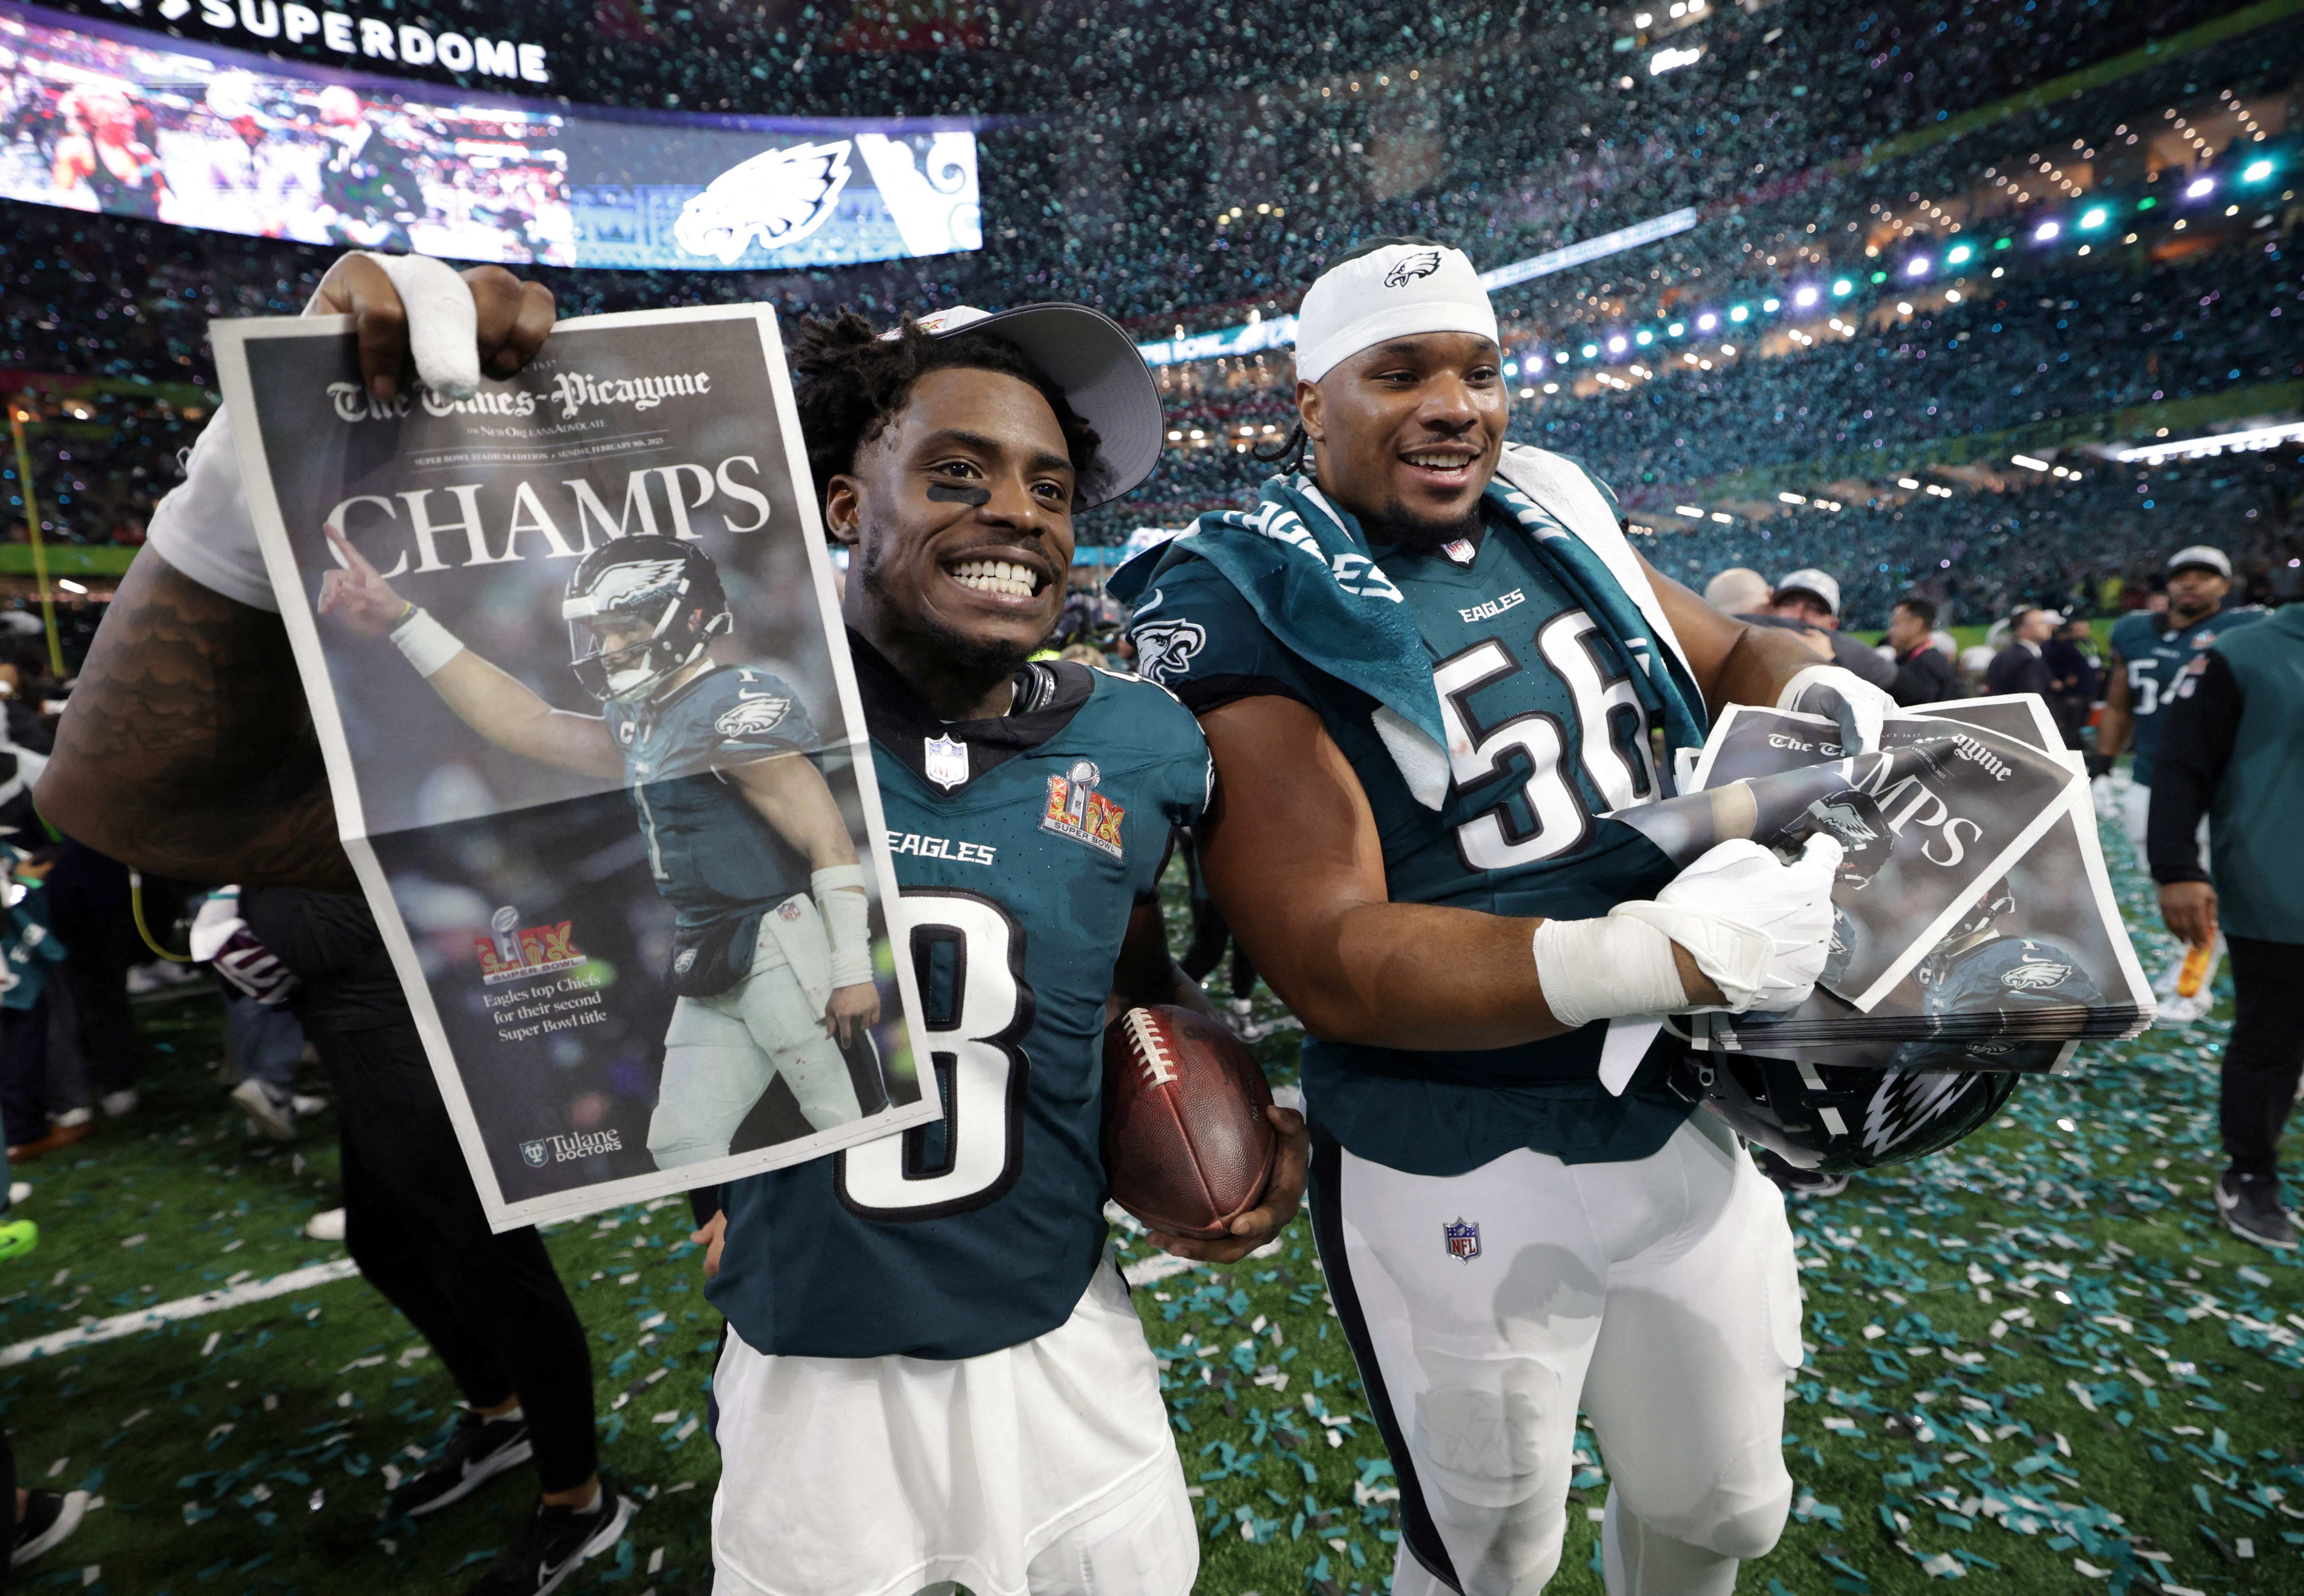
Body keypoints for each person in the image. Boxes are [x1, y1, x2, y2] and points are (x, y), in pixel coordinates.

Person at [1117, 238, 1877, 1596]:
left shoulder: (1549, 502)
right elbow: (1330, 956)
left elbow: (1733, 652)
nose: (1451, 404)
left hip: (1671, 1099)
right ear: (1308, 403)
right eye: (1397, 371)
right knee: (1488, 1545)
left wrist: (1813, 692)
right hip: (1451, 1141)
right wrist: (1654, 955)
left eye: (1476, 371)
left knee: (1719, 1504)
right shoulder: (1240, 584)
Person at [687, 303, 1308, 1596]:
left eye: (1052, 487)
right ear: (848, 505)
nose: (1019, 513)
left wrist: (1219, 1105)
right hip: (815, 1365)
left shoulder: (1139, 747)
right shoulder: (723, 728)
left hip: (1063, 1334)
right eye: (956, 473)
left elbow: (1132, 978)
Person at [33, 254, 631, 1596]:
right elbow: (135, 786)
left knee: (479, 1239)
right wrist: (218, 901)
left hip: (423, 958)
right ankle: (496, 1421)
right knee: (382, 1234)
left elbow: (529, 757)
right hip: (331, 953)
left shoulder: (501, 635)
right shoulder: (303, 613)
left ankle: (576, 1490)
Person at [313, 531, 884, 1171]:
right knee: (682, 1144)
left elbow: (825, 836)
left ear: (688, 618)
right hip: (709, 946)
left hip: (778, 941)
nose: (607, 648)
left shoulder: (735, 702)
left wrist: (851, 969)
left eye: (622, 629)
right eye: (601, 632)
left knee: (848, 1125)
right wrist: (404, 621)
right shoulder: (651, 716)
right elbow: (523, 723)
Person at [2148, 562, 2304, 1251]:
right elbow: (2182, 764)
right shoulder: (2242, 652)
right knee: (2272, 1041)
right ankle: (2250, 1174)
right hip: (2282, 879)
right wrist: (2176, 865)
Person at [2099, 546, 2264, 873]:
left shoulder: (2246, 628)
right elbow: (2119, 706)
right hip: (2152, 778)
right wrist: (2102, 767)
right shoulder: (2134, 632)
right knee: (2168, 885)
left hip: (2224, 782)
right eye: (2182, 578)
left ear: (2225, 586)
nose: (2191, 585)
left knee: (2232, 888)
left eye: (2204, 578)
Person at [1704, 565, 1897, 691]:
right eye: (1789, 605)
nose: (1798, 616)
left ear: (1833, 626)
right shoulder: (1741, 639)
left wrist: (1832, 661)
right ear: (1771, 608)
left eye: (1815, 610)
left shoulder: (1857, 661)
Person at [1884, 595, 1959, 707]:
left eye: (1896, 624)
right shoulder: (1917, 660)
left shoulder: (1928, 666)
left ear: (1916, 625)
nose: (1890, 631)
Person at [1985, 605, 2058, 700]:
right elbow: (2033, 699)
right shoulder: (2027, 659)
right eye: (2041, 623)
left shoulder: (2002, 655)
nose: (2048, 627)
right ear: (2022, 629)